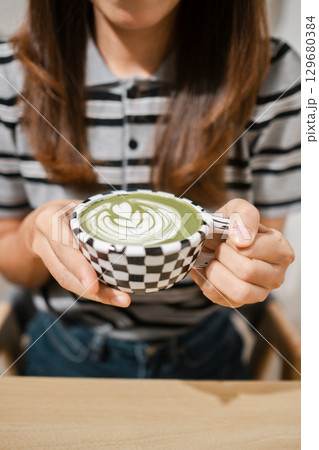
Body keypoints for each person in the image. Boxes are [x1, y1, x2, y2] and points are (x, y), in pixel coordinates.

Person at [0, 0, 300, 378]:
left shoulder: (277, 74)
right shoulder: (9, 75)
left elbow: (261, 258)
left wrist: (249, 262)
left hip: (207, 354)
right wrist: (34, 233)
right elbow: (8, 251)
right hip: (61, 348)